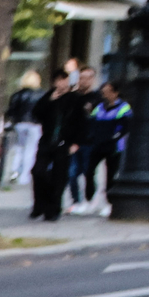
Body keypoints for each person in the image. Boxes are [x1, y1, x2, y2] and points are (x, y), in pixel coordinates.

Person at [29, 70, 73, 221]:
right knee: (38, 171)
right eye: (59, 80)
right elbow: (36, 114)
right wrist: (50, 101)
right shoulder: (48, 97)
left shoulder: (73, 98)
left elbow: (80, 121)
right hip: (47, 141)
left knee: (59, 177)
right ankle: (39, 205)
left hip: (64, 143)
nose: (62, 83)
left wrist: (76, 143)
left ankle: (53, 209)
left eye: (64, 80)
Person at [65, 68, 102, 211]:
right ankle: (76, 201)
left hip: (90, 142)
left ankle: (90, 198)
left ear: (92, 79)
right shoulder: (73, 97)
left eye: (86, 78)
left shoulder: (97, 98)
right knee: (72, 173)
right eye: (81, 78)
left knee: (88, 172)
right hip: (75, 142)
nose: (83, 81)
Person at [90, 81, 133, 204]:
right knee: (89, 170)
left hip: (114, 146)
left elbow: (126, 127)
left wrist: (115, 137)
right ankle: (91, 197)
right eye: (103, 92)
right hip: (98, 144)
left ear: (115, 93)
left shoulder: (124, 108)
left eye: (108, 92)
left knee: (111, 174)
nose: (105, 95)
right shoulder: (99, 107)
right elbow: (92, 122)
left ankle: (109, 202)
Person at [2, 71, 42, 187]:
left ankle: (14, 171)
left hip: (20, 124)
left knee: (19, 148)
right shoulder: (41, 94)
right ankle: (25, 175)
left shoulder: (17, 94)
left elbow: (11, 110)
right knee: (31, 149)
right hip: (35, 125)